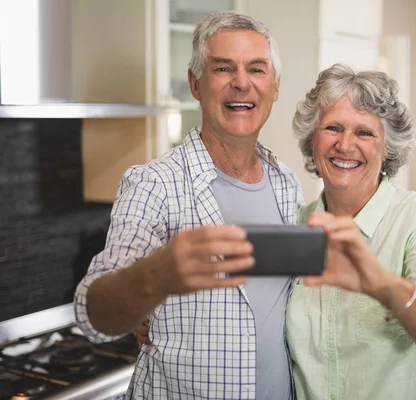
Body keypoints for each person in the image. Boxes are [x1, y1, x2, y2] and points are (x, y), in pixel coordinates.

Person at [74, 12, 302, 399]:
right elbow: (93, 314)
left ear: (275, 86)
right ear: (196, 84)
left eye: (257, 69)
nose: (242, 83)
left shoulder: (286, 184)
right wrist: (155, 278)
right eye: (223, 68)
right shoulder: (155, 184)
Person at [285, 63, 416, 399]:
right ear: (312, 139)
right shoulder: (293, 228)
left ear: (387, 148)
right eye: (332, 128)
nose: (345, 145)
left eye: (365, 133)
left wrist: (382, 284)